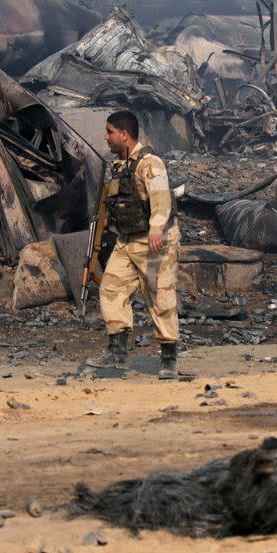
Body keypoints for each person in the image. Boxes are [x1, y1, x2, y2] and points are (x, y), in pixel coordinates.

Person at [88, 111, 180, 379]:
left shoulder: (150, 164)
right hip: (128, 241)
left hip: (155, 241)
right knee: (111, 288)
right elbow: (121, 201)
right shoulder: (119, 165)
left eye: (110, 132)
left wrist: (156, 228)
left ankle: (169, 360)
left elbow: (161, 198)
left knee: (160, 297)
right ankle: (117, 354)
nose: (106, 137)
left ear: (124, 134)